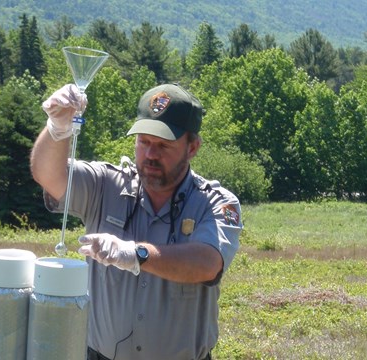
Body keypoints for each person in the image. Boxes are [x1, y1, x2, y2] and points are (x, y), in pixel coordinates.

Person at [30, 83, 242, 360]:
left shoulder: (215, 203)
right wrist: (57, 129)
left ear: (193, 147)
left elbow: (207, 263)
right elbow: (49, 175)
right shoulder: (106, 185)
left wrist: (136, 254)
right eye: (144, 142)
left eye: (164, 145)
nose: (151, 154)